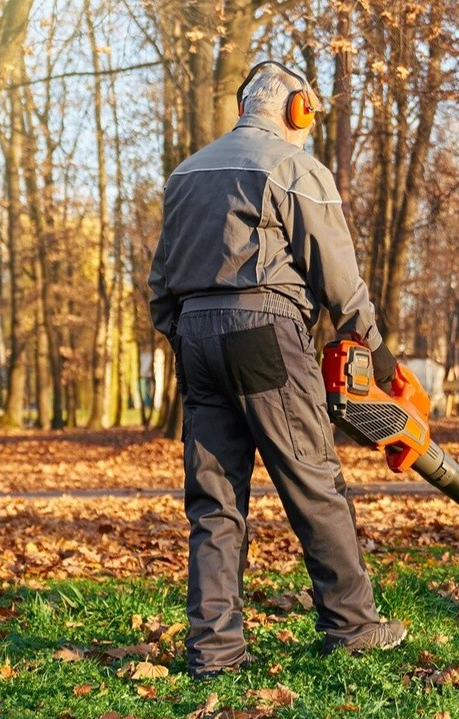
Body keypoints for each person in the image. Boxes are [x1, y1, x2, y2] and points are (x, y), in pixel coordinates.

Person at [148, 60, 406, 679]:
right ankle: (353, 626)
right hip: (263, 331)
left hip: (194, 337)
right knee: (313, 479)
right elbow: (338, 279)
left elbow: (160, 286)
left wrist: (185, 333)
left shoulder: (185, 173)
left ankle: (214, 653)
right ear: (297, 109)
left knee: (213, 500)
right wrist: (374, 347)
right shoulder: (293, 167)